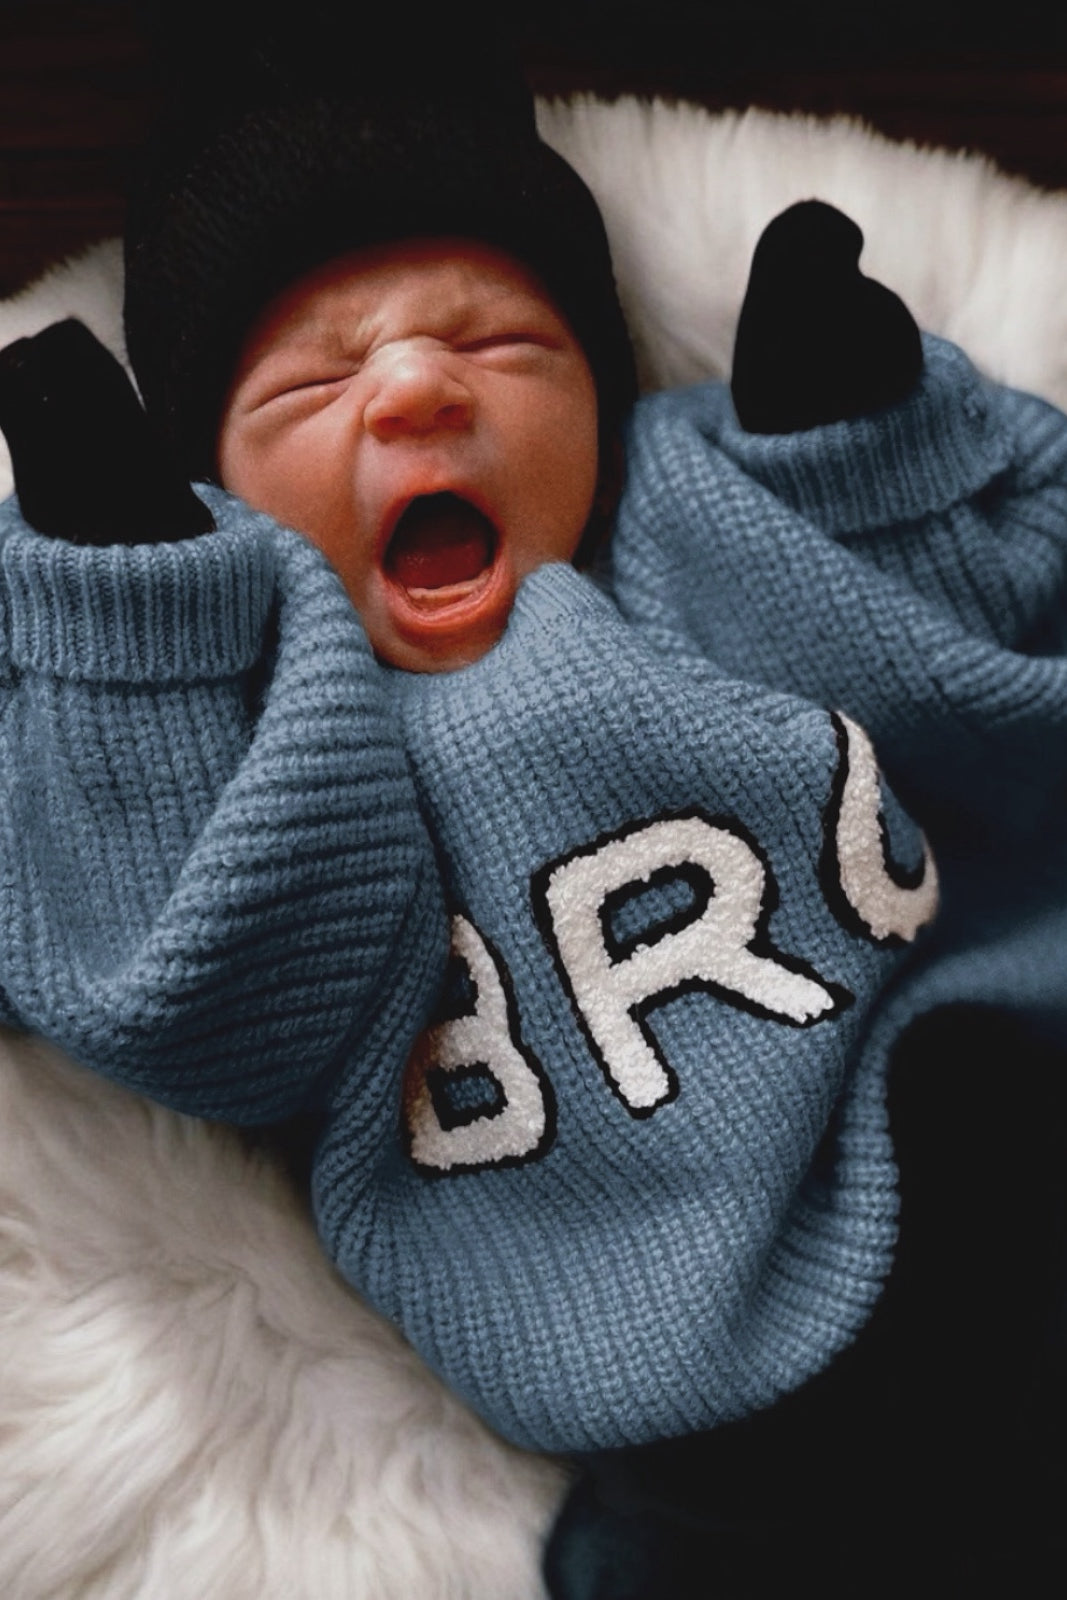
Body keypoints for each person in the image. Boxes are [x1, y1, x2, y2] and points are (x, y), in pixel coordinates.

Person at [0, 9, 1065, 1591]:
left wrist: (855, 442)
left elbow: (964, 674)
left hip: (965, 1114)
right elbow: (172, 990)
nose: (420, 388)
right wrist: (137, 617)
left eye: (505, 347)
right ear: (215, 485)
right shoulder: (275, 726)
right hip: (651, 1367)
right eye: (314, 386)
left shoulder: (691, 524)